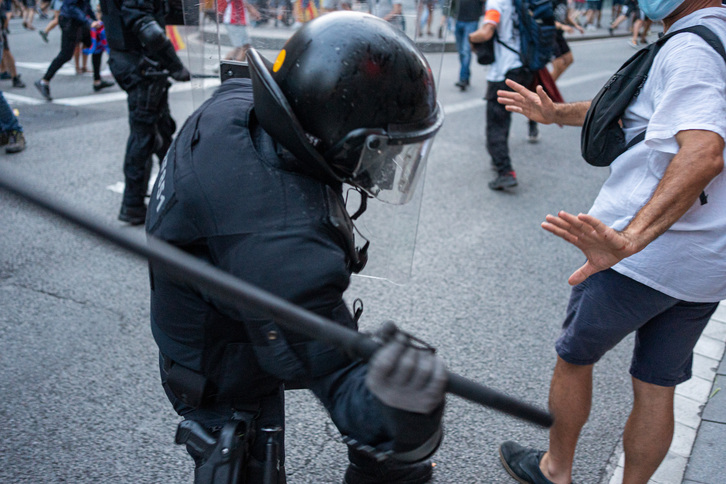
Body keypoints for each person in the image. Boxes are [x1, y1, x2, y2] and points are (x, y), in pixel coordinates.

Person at [145, 11, 447, 484]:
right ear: (337, 131)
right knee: (385, 437)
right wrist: (407, 419)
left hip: (220, 300)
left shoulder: (241, 103)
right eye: (383, 151)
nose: (386, 170)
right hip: (219, 361)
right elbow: (339, 378)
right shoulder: (284, 244)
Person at [495, 1, 726, 483]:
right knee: (657, 385)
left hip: (642, 258)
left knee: (575, 356)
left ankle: (555, 469)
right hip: (708, 262)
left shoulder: (690, 48)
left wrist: (630, 238)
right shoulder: (711, 37)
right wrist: (556, 113)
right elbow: (639, 115)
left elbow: (704, 152)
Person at [98, 0, 190, 225]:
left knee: (161, 129)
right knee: (144, 135)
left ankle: (177, 190)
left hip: (138, 62)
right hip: (139, 64)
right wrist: (175, 65)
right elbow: (146, 27)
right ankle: (133, 203)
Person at [469, 0, 535, 190]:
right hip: (521, 65)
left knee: (496, 124)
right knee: (504, 118)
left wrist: (471, 37)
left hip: (503, 72)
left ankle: (505, 171)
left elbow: (487, 32)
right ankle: (498, 156)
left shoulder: (496, 2)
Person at [33, 0, 114, 101]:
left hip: (78, 22)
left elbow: (86, 5)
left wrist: (94, 21)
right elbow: (71, 7)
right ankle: (44, 81)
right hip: (70, 22)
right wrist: (89, 21)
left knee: (97, 45)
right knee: (66, 54)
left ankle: (97, 81)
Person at [453, 0, 483, 91]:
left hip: (471, 21)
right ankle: (466, 74)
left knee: (465, 51)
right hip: (459, 19)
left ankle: (463, 78)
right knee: (461, 51)